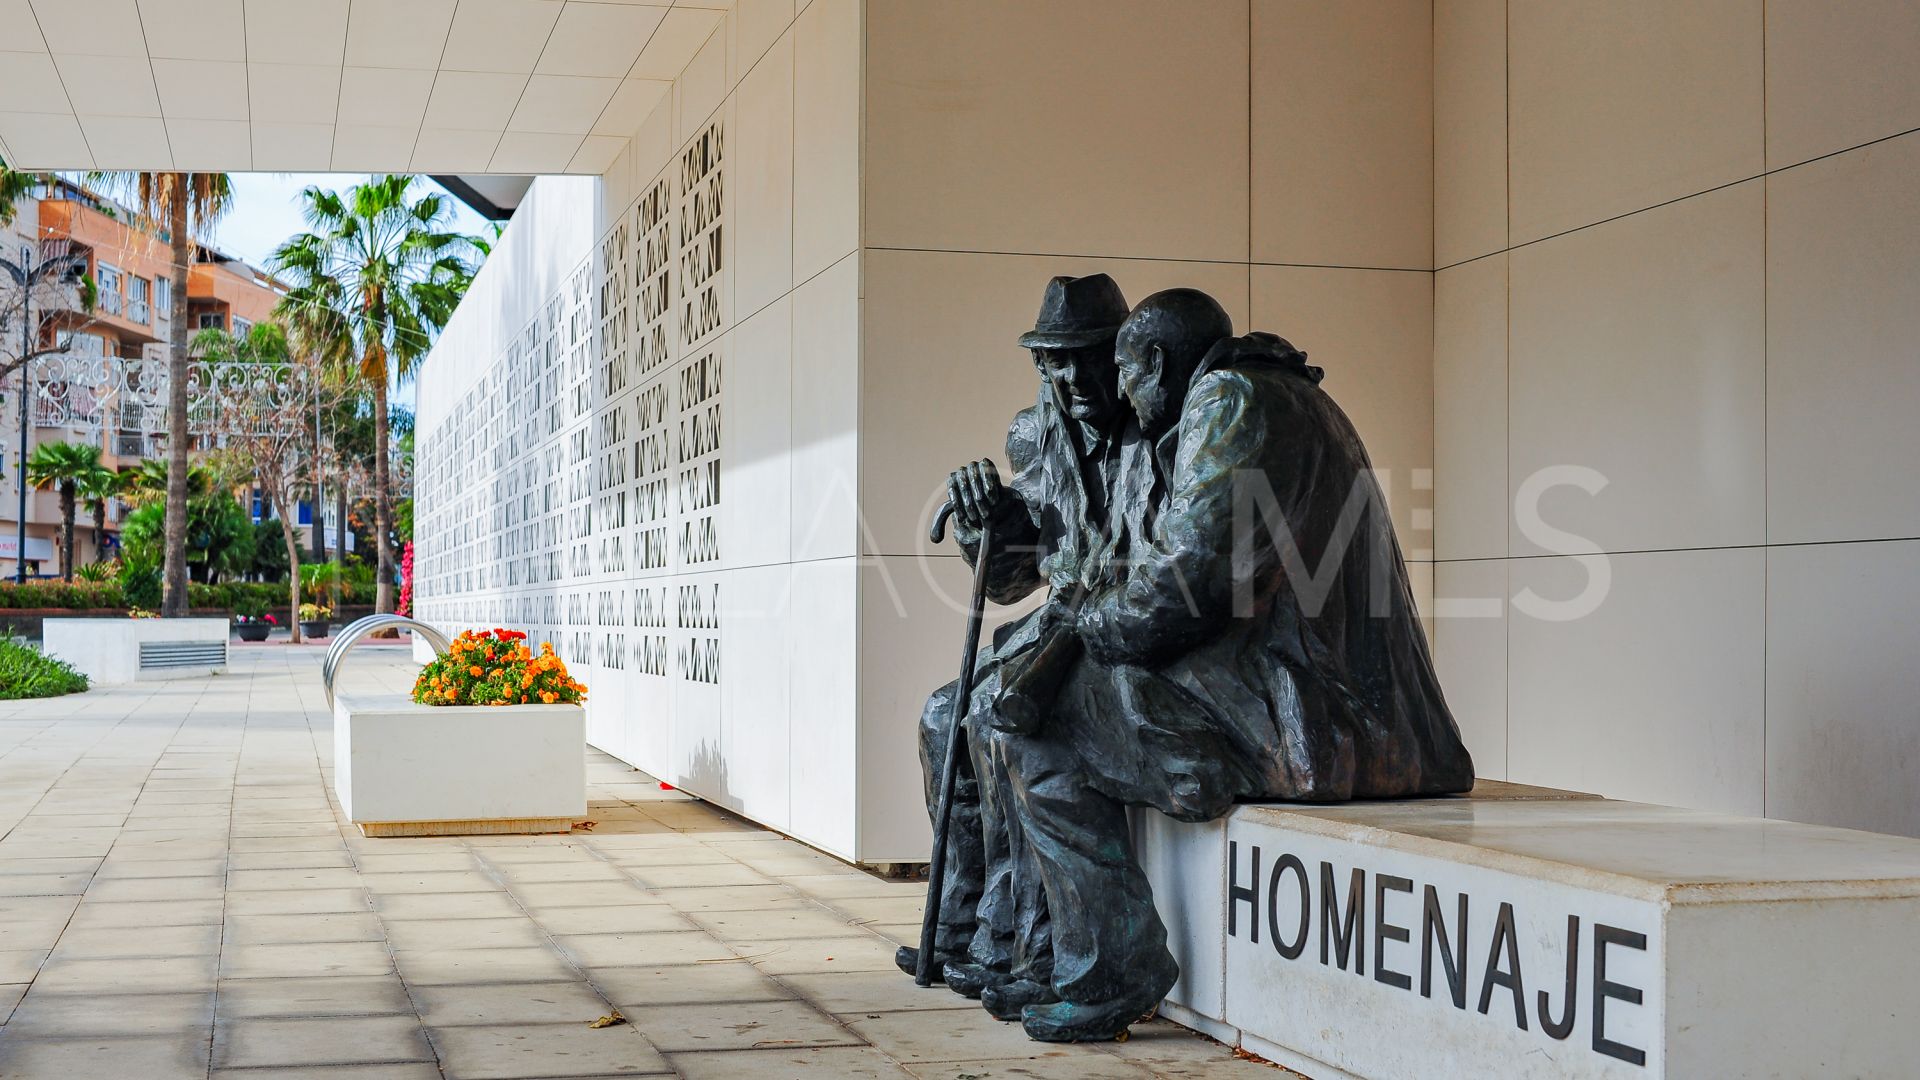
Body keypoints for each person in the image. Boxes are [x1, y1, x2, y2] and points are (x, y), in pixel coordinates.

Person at [996, 288, 1475, 1042]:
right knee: (1038, 693)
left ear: (1153, 361)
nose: (1118, 395)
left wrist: (1086, 621)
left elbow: (1185, 584)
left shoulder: (1230, 400)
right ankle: (1052, 951)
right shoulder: (1276, 392)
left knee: (1042, 723)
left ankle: (1111, 971)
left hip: (1318, 720)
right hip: (1325, 702)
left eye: (1122, 372)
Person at [900, 273, 1135, 1020]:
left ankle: (1020, 944)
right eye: (1056, 363)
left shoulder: (1151, 432)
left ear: (1124, 356)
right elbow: (1009, 581)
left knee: (998, 723)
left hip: (1114, 628)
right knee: (943, 718)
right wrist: (986, 519)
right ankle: (962, 927)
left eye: (1090, 357)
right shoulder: (1038, 433)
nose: (1075, 377)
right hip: (1056, 625)